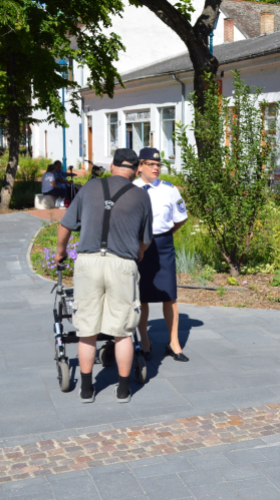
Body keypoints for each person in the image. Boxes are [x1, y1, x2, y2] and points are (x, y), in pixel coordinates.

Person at [55, 148, 153, 403]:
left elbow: (65, 225)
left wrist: (60, 253)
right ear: (135, 170)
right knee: (122, 331)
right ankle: (122, 389)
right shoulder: (141, 197)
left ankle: (87, 389)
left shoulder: (89, 188)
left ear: (112, 166)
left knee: (87, 330)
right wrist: (139, 254)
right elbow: (145, 241)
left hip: (88, 262)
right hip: (122, 264)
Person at [133, 148, 190, 362]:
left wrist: (165, 235)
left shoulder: (169, 189)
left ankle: (173, 343)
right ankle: (145, 341)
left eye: (158, 165)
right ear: (140, 166)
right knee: (142, 296)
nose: (156, 168)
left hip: (162, 244)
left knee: (169, 295)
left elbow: (180, 218)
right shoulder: (131, 189)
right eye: (150, 164)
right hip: (138, 245)